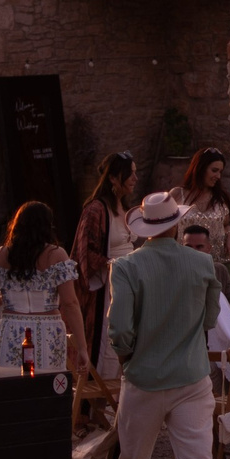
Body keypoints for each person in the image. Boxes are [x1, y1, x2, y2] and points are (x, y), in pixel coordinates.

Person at [103, 191, 226, 459]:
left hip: (144, 376)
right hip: (191, 375)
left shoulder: (126, 267)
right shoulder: (203, 264)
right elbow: (209, 320)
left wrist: (128, 354)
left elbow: (119, 328)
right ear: (176, 224)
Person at [0, 200, 84, 373]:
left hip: (11, 330)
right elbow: (70, 303)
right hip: (48, 331)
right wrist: (82, 348)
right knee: (45, 387)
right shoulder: (56, 255)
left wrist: (8, 294)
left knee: (9, 386)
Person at [73, 151, 137, 370]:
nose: (135, 179)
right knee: (107, 344)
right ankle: (102, 398)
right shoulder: (95, 210)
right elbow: (85, 252)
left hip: (130, 281)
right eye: (130, 174)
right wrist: (113, 266)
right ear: (113, 178)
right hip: (107, 287)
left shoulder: (126, 209)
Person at [169, 147, 230, 308]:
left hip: (219, 267)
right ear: (200, 168)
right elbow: (167, 230)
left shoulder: (220, 199)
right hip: (186, 269)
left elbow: (225, 224)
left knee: (228, 315)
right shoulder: (177, 195)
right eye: (214, 170)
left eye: (220, 172)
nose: (218, 176)